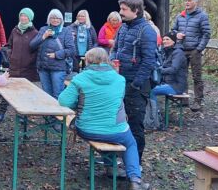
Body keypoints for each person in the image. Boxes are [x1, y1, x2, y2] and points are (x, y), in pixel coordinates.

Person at [59, 48, 150, 190]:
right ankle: (135, 180)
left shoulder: (80, 78)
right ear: (106, 60)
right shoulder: (120, 80)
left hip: (87, 129)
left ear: (88, 61)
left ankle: (112, 167)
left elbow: (64, 101)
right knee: (130, 143)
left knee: (103, 135)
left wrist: (80, 103)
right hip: (115, 130)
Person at [111, 0, 156, 163]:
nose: (120, 12)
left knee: (135, 125)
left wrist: (135, 85)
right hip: (120, 83)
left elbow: (149, 61)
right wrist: (114, 61)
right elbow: (116, 49)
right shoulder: (123, 28)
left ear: (136, 11)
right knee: (119, 123)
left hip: (136, 86)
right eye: (120, 8)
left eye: (124, 9)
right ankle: (119, 158)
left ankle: (134, 165)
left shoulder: (147, 31)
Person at [171, 0, 211, 112]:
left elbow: (206, 33)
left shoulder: (202, 16)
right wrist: (176, 34)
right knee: (181, 75)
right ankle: (184, 100)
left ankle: (198, 101)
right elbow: (173, 30)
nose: (186, 3)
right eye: (185, 1)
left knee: (196, 76)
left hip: (194, 50)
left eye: (189, 1)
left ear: (195, 2)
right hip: (181, 49)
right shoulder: (180, 16)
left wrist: (199, 49)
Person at [29, 9, 75, 99]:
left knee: (57, 94)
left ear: (61, 20)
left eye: (57, 18)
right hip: (43, 67)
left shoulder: (66, 31)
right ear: (49, 19)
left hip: (58, 68)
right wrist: (44, 36)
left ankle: (59, 113)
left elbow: (72, 50)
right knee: (46, 95)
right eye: (52, 18)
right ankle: (49, 113)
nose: (55, 20)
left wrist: (57, 54)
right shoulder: (43, 29)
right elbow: (32, 45)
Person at [150, 32, 188, 102]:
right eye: (163, 39)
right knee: (147, 88)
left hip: (176, 86)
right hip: (168, 83)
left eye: (167, 39)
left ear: (173, 41)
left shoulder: (178, 53)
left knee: (151, 91)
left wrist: (159, 70)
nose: (164, 41)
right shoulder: (167, 52)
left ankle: (154, 112)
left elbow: (173, 69)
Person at [7, 8, 39, 81]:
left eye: (25, 16)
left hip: (28, 70)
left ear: (30, 18)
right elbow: (9, 45)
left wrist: (30, 60)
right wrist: (10, 56)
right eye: (21, 16)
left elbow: (37, 50)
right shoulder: (14, 31)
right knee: (14, 90)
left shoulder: (35, 33)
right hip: (14, 68)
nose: (23, 18)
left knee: (27, 91)